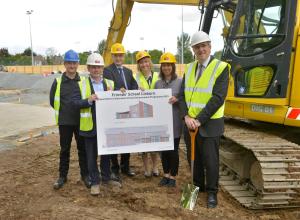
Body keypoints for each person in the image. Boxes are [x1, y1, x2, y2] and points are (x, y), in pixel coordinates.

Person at [178, 31, 230, 208]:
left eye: (203, 46)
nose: (201, 50)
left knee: (210, 161)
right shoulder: (190, 67)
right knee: (194, 159)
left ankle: (212, 193)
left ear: (210, 46)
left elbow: (217, 98)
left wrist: (198, 120)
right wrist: (185, 116)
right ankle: (197, 186)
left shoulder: (221, 67)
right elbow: (182, 95)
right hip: (190, 124)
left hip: (209, 125)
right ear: (193, 49)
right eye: (197, 47)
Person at [71, 53, 121, 195]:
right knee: (91, 156)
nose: (96, 70)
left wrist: (120, 93)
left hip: (106, 127)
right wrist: (88, 100)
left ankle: (106, 177)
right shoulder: (81, 84)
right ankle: (95, 182)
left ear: (102, 68)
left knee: (106, 154)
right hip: (90, 127)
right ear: (88, 68)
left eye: (98, 67)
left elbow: (117, 102)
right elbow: (74, 103)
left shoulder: (109, 84)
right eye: (93, 67)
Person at [50, 49, 89, 190]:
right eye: (69, 63)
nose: (72, 66)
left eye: (74, 63)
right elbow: (52, 101)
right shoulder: (58, 81)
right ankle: (62, 176)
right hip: (65, 122)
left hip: (81, 122)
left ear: (78, 64)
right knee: (64, 150)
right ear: (65, 64)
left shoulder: (84, 81)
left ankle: (85, 176)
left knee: (82, 149)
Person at [103, 43, 138, 181]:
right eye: (116, 55)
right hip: (114, 112)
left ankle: (125, 166)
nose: (118, 58)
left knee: (127, 140)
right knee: (115, 140)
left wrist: (139, 90)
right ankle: (115, 168)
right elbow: (109, 87)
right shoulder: (107, 71)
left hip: (127, 112)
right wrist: (119, 90)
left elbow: (134, 87)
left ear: (124, 56)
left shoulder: (129, 72)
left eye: (120, 55)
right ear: (112, 56)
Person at [155, 52, 182, 187]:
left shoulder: (180, 82)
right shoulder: (158, 84)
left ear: (173, 66)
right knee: (164, 150)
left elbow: (185, 99)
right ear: (161, 67)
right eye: (164, 65)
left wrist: (177, 99)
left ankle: (173, 176)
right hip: (162, 123)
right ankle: (165, 175)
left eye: (169, 65)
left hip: (175, 122)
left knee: (173, 150)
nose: (166, 68)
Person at [135, 50, 160, 178]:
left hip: (155, 115)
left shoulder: (158, 76)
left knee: (155, 143)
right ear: (138, 65)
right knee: (144, 145)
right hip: (142, 115)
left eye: (146, 61)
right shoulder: (136, 78)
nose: (144, 64)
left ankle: (155, 167)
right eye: (141, 63)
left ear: (149, 62)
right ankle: (147, 169)